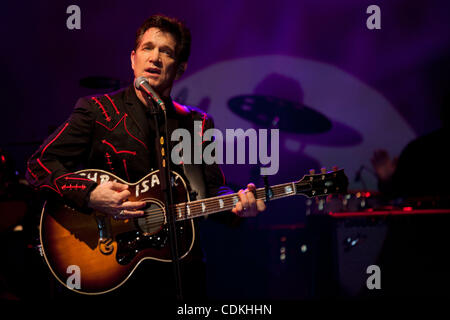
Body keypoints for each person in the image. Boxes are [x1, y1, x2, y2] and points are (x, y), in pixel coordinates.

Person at [25, 14, 266, 299]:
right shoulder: (97, 111)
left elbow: (209, 190)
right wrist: (90, 194)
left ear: (180, 68)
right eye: (147, 48)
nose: (154, 58)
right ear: (133, 58)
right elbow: (38, 166)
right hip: (111, 267)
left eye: (166, 52)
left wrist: (239, 205)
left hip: (178, 273)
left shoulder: (197, 124)